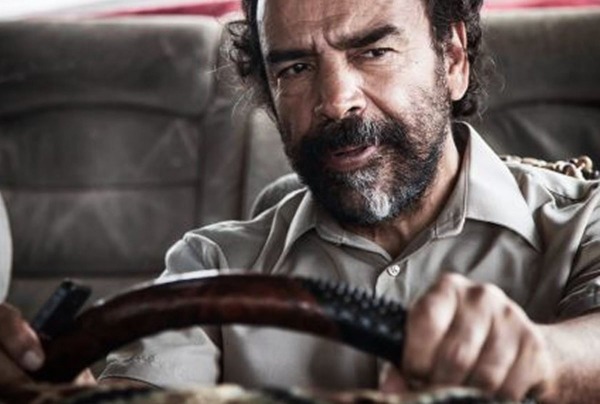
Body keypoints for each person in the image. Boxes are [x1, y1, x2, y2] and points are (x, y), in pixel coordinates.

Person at [1, 0, 600, 401]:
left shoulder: (584, 224)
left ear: (454, 60)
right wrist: (54, 391)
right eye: (295, 68)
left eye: (373, 51)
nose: (335, 100)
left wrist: (540, 359)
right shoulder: (209, 266)